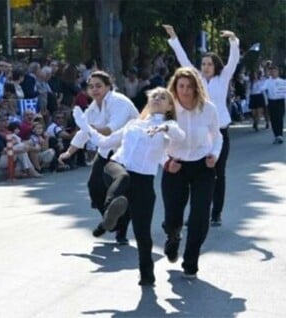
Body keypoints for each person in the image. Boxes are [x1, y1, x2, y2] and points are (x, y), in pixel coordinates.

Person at [68, 87, 185, 285]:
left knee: (143, 233)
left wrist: (164, 128)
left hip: (143, 180)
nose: (157, 98)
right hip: (116, 167)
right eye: (153, 95)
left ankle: (146, 274)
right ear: (148, 101)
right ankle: (111, 213)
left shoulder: (169, 126)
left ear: (169, 106)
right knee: (122, 178)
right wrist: (84, 125)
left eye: (162, 97)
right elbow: (104, 142)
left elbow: (179, 136)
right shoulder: (133, 124)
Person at [163, 24, 239, 226]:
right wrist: (173, 37)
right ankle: (196, 214)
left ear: (216, 66)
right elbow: (183, 60)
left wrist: (233, 40)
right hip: (197, 133)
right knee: (195, 174)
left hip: (219, 132)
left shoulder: (223, 79)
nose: (205, 67)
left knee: (217, 172)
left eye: (209, 64)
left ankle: (216, 213)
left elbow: (233, 61)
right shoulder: (195, 79)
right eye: (203, 63)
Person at [60, 71, 139, 244]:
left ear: (108, 87)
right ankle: (111, 220)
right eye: (91, 86)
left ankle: (121, 232)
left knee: (120, 190)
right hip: (106, 149)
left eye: (98, 86)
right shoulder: (93, 107)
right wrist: (69, 152)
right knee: (94, 186)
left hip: (128, 152)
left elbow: (110, 129)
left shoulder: (119, 102)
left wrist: (86, 126)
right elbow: (83, 132)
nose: (94, 90)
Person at [162, 67, 223, 279]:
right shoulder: (167, 109)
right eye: (181, 86)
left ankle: (191, 260)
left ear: (197, 88)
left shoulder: (208, 109)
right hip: (174, 165)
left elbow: (217, 137)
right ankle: (172, 235)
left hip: (202, 166)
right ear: (175, 88)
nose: (185, 91)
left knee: (200, 216)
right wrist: (166, 162)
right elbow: (153, 139)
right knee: (172, 216)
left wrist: (214, 154)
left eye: (189, 86)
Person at [265, 65, 286, 144]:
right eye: (272, 71)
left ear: (278, 72)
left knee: (279, 117)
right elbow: (262, 88)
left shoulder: (283, 81)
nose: (273, 73)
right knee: (273, 119)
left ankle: (280, 135)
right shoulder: (268, 81)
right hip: (272, 101)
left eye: (275, 71)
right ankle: (276, 135)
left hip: (280, 101)